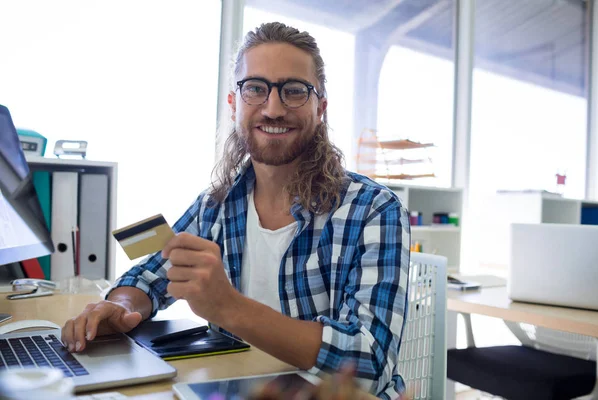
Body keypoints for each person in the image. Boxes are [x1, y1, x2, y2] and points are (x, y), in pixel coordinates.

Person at [61, 21, 410, 399]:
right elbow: (149, 276)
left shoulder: (374, 210)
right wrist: (119, 307)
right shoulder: (217, 205)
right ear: (234, 103)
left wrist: (229, 308)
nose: (273, 109)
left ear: (320, 107)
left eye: (294, 91)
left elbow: (368, 364)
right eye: (256, 89)